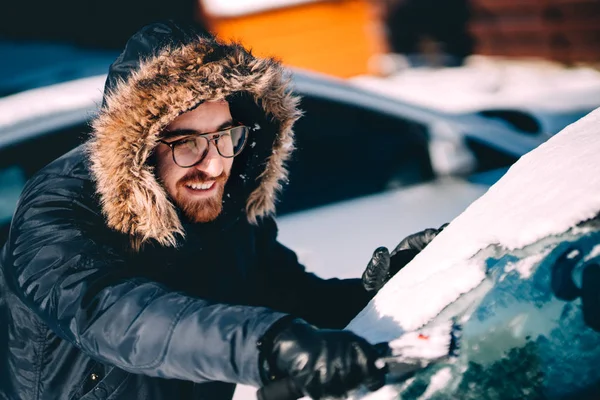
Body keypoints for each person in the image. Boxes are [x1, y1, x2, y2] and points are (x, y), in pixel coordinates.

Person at [0, 21, 444, 400]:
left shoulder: (225, 206)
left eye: (226, 136)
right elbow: (114, 316)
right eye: (186, 142)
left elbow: (286, 297)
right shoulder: (58, 210)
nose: (214, 165)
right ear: (137, 149)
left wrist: (370, 293)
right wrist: (269, 347)